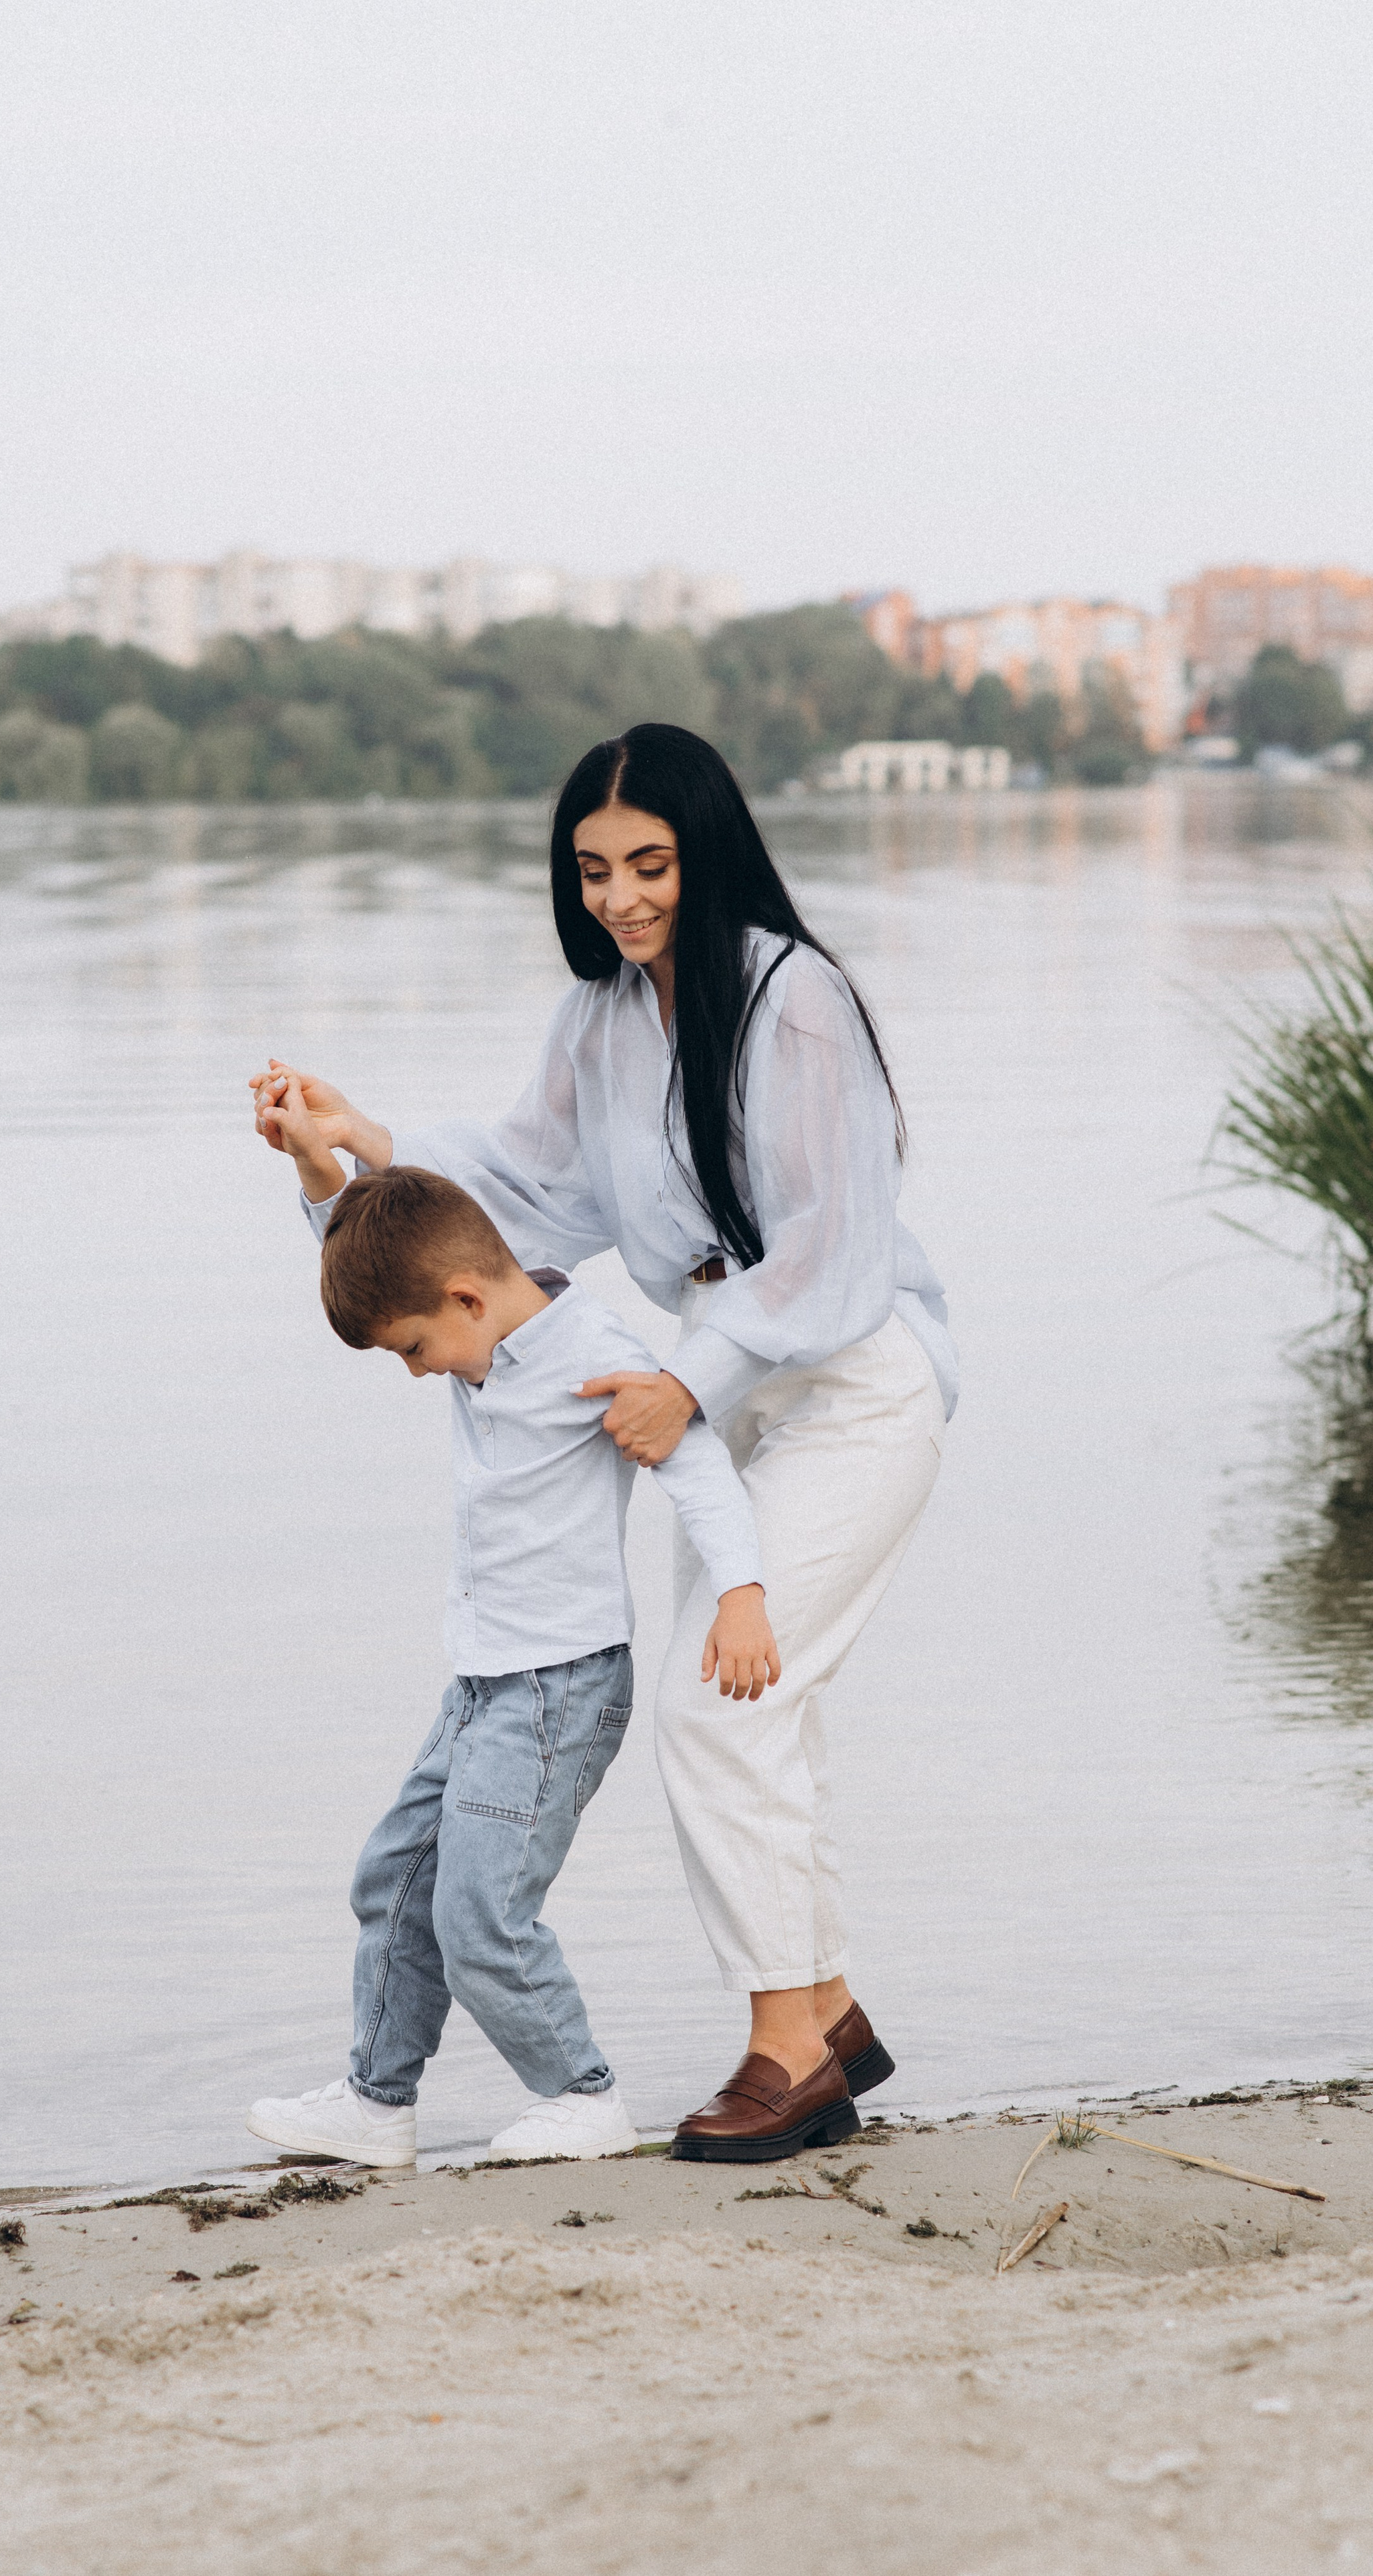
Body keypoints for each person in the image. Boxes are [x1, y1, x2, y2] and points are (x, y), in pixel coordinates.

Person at [252, 723, 956, 2163]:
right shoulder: (603, 1017)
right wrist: (354, 1135)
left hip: (854, 1382)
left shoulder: (795, 1000)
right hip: (733, 1384)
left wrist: (686, 1387)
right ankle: (825, 2007)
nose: (622, 897)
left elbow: (830, 1253)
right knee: (767, 1707)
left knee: (720, 1702)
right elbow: (520, 1186)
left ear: (705, 853)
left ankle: (784, 2055)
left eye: (648, 864)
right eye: (591, 871)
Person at [242, 1152, 836, 2168]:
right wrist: (315, 1174)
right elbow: (378, 1256)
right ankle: (376, 2105)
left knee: (481, 1909)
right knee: (394, 1878)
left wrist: (741, 1596)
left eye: (417, 1348)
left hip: (560, 1689)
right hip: (479, 1683)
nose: (419, 1370)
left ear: (466, 1298)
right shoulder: (477, 1323)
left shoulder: (590, 1353)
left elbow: (695, 1468)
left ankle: (581, 2095)